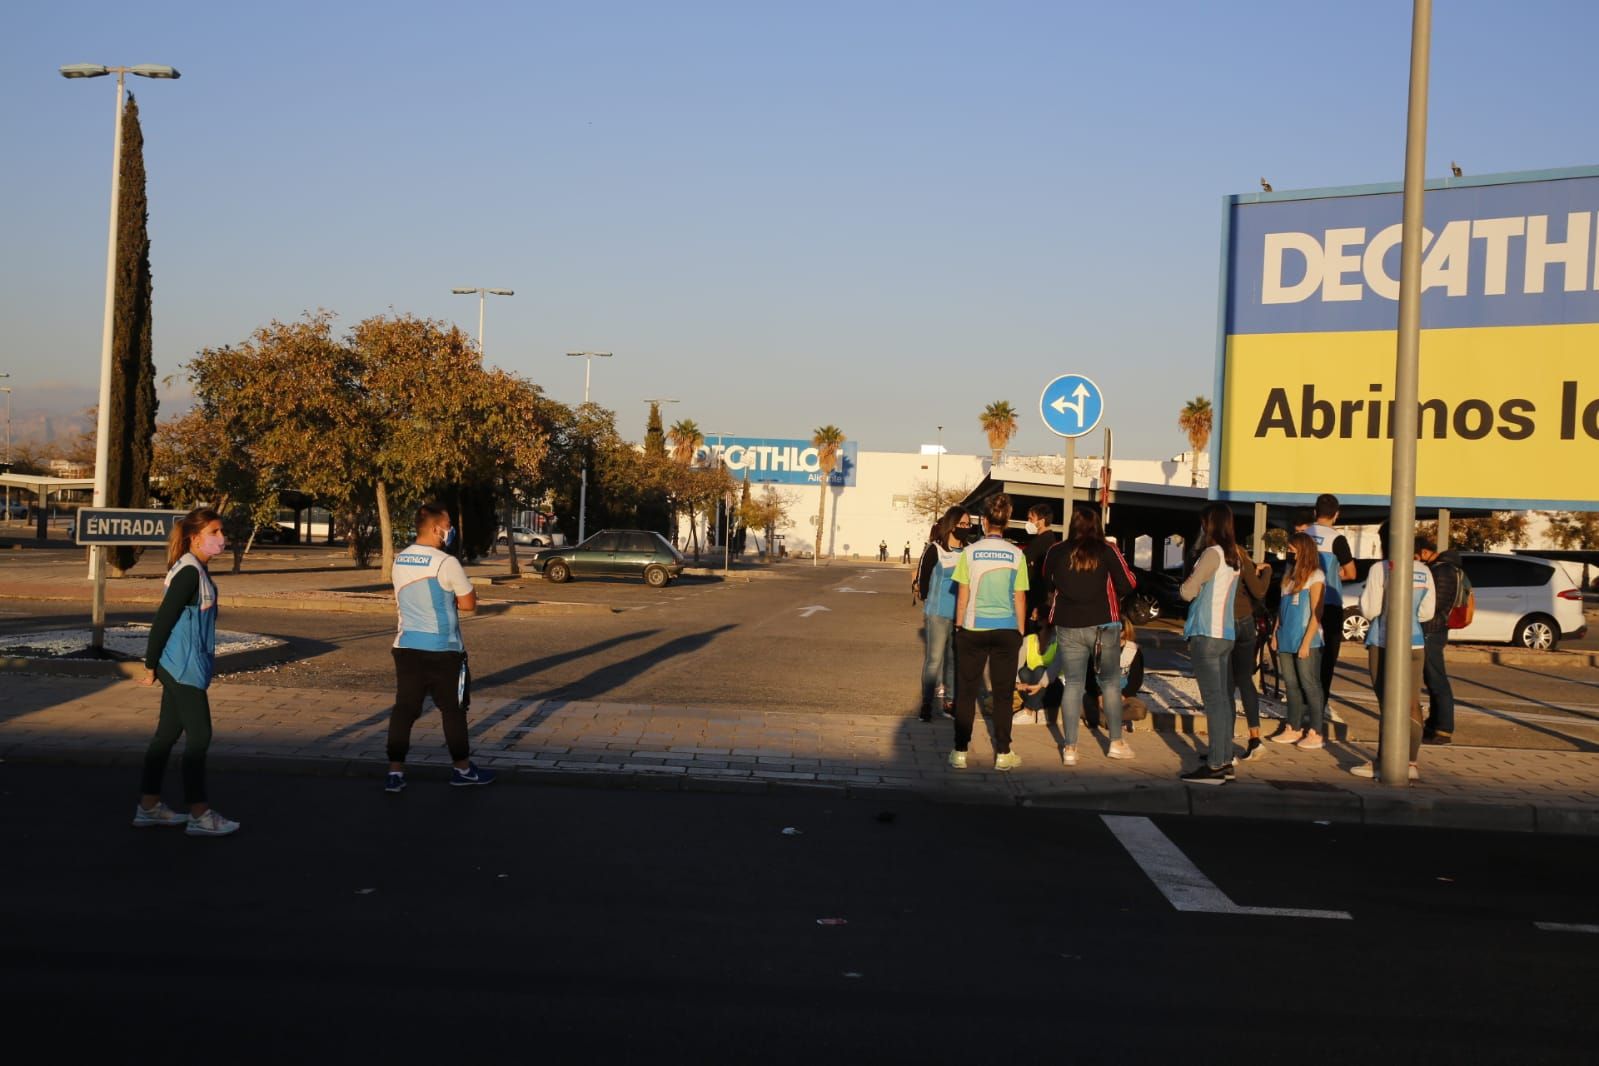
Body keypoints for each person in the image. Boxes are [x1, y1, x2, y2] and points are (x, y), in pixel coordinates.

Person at [134, 507, 240, 837]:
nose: (222, 539)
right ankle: (200, 814)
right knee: (200, 737)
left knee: (166, 735)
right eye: (215, 533)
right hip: (182, 667)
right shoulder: (190, 573)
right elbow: (163, 620)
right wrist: (150, 665)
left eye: (221, 532)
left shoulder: (194, 569)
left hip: (182, 664)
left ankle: (148, 807)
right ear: (195, 538)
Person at [386, 503, 496, 792]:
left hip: (406, 646)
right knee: (453, 710)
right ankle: (462, 770)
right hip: (445, 651)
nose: (451, 531)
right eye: (448, 525)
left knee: (405, 709)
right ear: (436, 529)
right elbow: (469, 604)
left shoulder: (400, 559)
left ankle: (395, 773)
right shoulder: (446, 563)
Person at [1045, 503, 1137, 764]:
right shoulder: (1107, 550)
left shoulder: (1056, 551)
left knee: (1072, 684)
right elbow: (1128, 582)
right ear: (1098, 526)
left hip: (1068, 622)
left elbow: (1047, 581)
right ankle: (1116, 742)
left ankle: (1070, 749)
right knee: (1109, 682)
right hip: (1104, 623)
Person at [949, 493, 1029, 771]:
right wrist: (1020, 630)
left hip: (972, 628)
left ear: (984, 522)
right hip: (1007, 629)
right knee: (1004, 694)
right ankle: (1003, 753)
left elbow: (962, 595)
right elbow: (1020, 598)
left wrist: (958, 625)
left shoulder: (969, 553)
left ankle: (960, 751)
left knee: (967, 691)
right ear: (1006, 522)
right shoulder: (1017, 555)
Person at [1351, 524, 1436, 781]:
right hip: (1415, 642)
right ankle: (1411, 762)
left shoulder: (1381, 569)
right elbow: (1427, 613)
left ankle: (1383, 761)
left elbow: (1369, 609)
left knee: (1387, 704)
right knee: (1412, 704)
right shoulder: (1423, 571)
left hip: (1384, 641)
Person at [1179, 503, 1243, 784]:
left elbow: (1187, 591)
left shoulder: (1211, 554)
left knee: (1214, 701)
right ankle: (1224, 757)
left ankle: (1216, 764)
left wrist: (1189, 583)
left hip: (1206, 633)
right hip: (1226, 633)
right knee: (1223, 701)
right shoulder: (1235, 556)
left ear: (1210, 524)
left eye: (1204, 523)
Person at [1269, 531, 1327, 749]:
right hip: (1286, 636)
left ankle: (1316, 731)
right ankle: (1292, 727)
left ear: (1303, 550)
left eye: (1293, 549)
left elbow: (1316, 612)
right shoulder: (1289, 576)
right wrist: (1275, 633)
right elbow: (1281, 610)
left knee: (1309, 684)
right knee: (1291, 684)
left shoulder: (1316, 576)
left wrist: (1306, 642)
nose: (1290, 552)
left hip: (1306, 639)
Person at [1307, 494, 1356, 726]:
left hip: (1303, 602)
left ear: (1314, 512)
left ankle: (1304, 703)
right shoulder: (1337, 540)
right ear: (1337, 514)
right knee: (1327, 657)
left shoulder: (1301, 537)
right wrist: (1336, 575)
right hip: (1330, 601)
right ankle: (1320, 704)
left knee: (1305, 652)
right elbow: (1352, 573)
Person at [914, 509, 963, 722]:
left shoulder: (968, 551)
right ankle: (926, 704)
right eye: (961, 523)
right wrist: (927, 599)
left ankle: (950, 702)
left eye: (967, 523)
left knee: (954, 661)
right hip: (937, 614)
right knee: (934, 659)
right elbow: (923, 578)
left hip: (960, 614)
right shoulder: (934, 550)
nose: (965, 527)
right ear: (951, 525)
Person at [1229, 544, 1274, 761]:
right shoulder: (1242, 559)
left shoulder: (1219, 557)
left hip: (1226, 623)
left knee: (1225, 684)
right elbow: (1259, 590)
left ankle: (1223, 743)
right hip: (1246, 622)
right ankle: (1255, 737)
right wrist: (1266, 572)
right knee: (1245, 680)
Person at [1416, 536, 1461, 745]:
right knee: (1432, 679)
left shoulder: (1441, 571)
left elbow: (1434, 604)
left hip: (1431, 629)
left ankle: (1443, 728)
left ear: (1425, 552)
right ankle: (1434, 724)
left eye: (1417, 556)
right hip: (1434, 629)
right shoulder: (1445, 568)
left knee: (1436, 679)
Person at [1022, 504, 1059, 634]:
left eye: (1031, 519)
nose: (1028, 523)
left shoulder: (1042, 543)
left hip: (1035, 597)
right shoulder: (1047, 541)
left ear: (1042, 521)